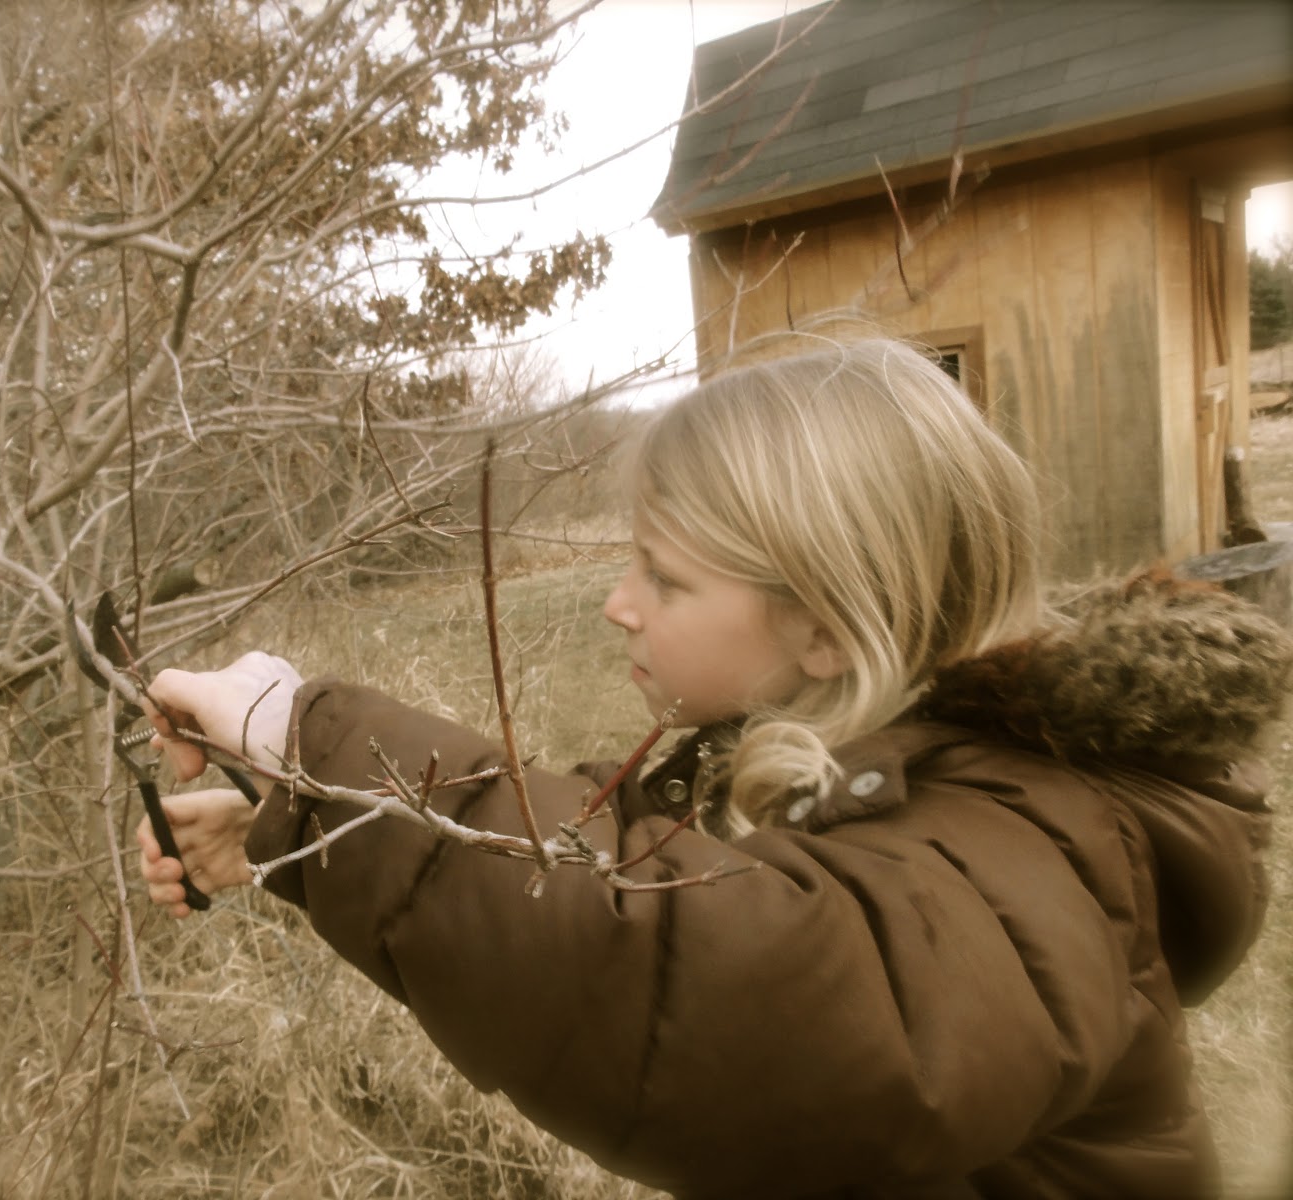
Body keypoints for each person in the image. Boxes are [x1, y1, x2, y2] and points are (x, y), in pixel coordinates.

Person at [136, 336, 1290, 1198]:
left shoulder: (1040, 838)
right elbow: (599, 850)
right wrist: (309, 820)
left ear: (826, 626)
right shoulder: (822, 776)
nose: (618, 605)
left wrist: (306, 731)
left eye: (665, 578)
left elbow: (696, 976)